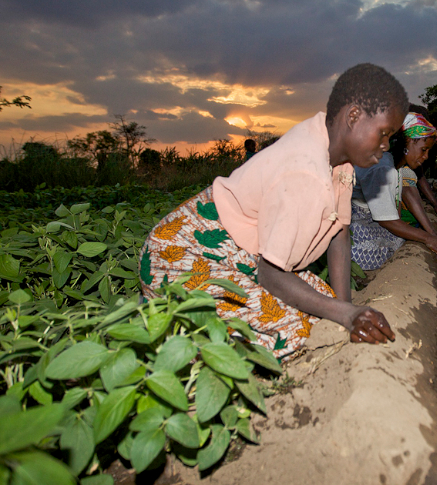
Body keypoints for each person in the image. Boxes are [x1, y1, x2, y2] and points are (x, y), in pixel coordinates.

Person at [139, 64, 407, 357]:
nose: (385, 146)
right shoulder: (304, 172)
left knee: (324, 307)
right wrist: (346, 315)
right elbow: (270, 274)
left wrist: (346, 310)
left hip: (246, 254)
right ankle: (166, 332)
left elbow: (339, 233)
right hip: (186, 253)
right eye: (383, 133)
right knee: (293, 330)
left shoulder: (337, 154)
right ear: (353, 117)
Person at [350, 113, 437, 270]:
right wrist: (428, 238)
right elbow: (387, 221)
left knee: (401, 239)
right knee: (394, 245)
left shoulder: (395, 167)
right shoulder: (383, 168)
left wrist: (430, 234)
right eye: (423, 150)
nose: (426, 156)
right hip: (354, 224)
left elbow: (394, 214)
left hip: (366, 219)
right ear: (408, 141)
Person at [411, 108, 437, 224]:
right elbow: (416, 173)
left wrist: (436, 205)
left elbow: (419, 174)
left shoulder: (433, 149)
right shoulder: (412, 143)